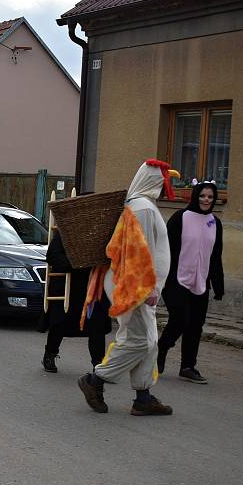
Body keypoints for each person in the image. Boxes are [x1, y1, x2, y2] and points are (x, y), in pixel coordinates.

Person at [77, 159, 179, 416]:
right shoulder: (143, 208)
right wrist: (149, 288)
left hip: (136, 285)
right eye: (163, 179)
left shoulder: (141, 205)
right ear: (155, 181)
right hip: (136, 285)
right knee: (139, 340)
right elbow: (138, 253)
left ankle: (143, 398)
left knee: (146, 340)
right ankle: (95, 381)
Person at [157, 180, 224, 384]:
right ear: (195, 196)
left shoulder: (215, 222)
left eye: (210, 197)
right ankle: (161, 349)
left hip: (201, 281)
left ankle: (188, 366)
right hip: (176, 279)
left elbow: (216, 255)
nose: (206, 200)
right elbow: (166, 249)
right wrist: (162, 277)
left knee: (195, 324)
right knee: (180, 319)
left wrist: (218, 283)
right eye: (203, 196)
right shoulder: (181, 218)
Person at [42, 231, 111, 372]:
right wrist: (77, 262)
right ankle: (50, 353)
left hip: (91, 285)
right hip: (68, 285)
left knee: (96, 324)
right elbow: (53, 257)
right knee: (59, 322)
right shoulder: (65, 232)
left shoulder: (100, 234)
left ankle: (98, 365)